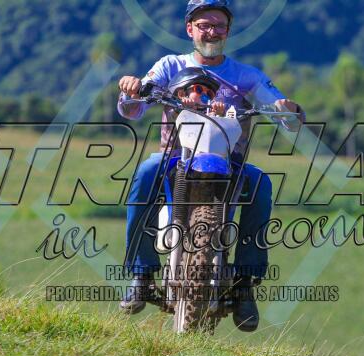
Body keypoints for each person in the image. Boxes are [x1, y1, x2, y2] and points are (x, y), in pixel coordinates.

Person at [117, 0, 305, 332]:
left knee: (261, 184)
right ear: (190, 29)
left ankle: (244, 284)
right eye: (204, 25)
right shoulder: (170, 66)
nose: (212, 32)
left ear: (228, 31)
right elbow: (134, 107)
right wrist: (131, 91)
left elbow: (281, 112)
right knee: (145, 173)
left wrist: (286, 110)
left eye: (219, 25)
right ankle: (141, 274)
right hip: (175, 158)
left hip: (228, 162)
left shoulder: (246, 76)